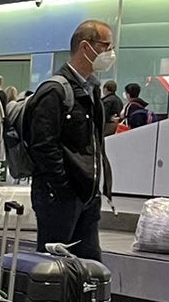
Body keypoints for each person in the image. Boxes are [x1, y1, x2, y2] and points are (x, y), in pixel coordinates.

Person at [22, 19, 114, 262]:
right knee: (55, 271)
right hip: (59, 198)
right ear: (86, 47)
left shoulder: (92, 89)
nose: (110, 53)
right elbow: (42, 145)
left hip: (86, 197)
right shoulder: (55, 91)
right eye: (106, 45)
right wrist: (63, 187)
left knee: (90, 269)